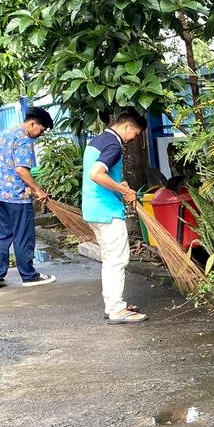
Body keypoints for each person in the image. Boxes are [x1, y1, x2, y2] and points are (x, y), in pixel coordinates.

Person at [82, 109, 148, 324]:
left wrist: (120, 184)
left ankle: (113, 304)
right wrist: (124, 192)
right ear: (127, 126)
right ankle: (116, 309)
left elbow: (102, 173)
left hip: (94, 210)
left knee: (111, 259)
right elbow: (96, 174)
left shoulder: (98, 140)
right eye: (136, 134)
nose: (133, 139)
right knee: (117, 260)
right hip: (107, 211)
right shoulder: (114, 145)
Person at [0, 106, 57, 289]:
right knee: (23, 236)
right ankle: (29, 275)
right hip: (16, 196)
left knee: (3, 233)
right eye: (41, 130)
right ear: (33, 123)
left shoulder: (3, 134)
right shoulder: (24, 139)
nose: (40, 134)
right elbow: (20, 169)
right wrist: (38, 190)